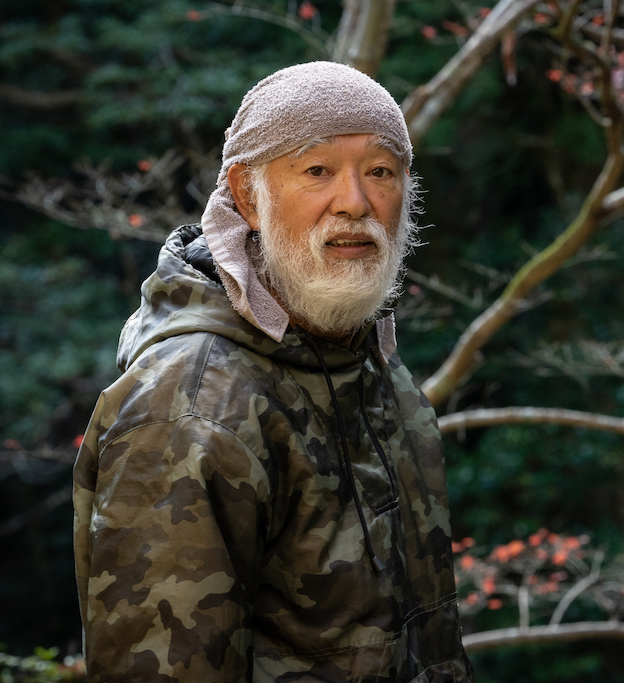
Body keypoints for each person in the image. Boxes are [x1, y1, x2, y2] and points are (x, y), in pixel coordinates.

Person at [73, 61, 474, 683]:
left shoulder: (370, 365)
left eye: (380, 173)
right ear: (244, 195)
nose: (356, 202)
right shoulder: (193, 405)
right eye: (317, 171)